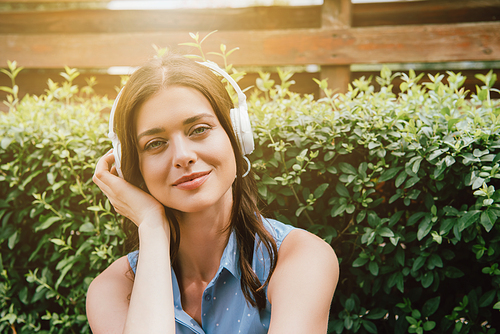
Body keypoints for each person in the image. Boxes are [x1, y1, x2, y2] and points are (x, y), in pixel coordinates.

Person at [86, 52, 339, 334]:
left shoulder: (300, 257)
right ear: (134, 167)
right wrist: (153, 226)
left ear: (237, 135)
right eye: (155, 143)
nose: (183, 156)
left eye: (199, 129)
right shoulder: (114, 289)